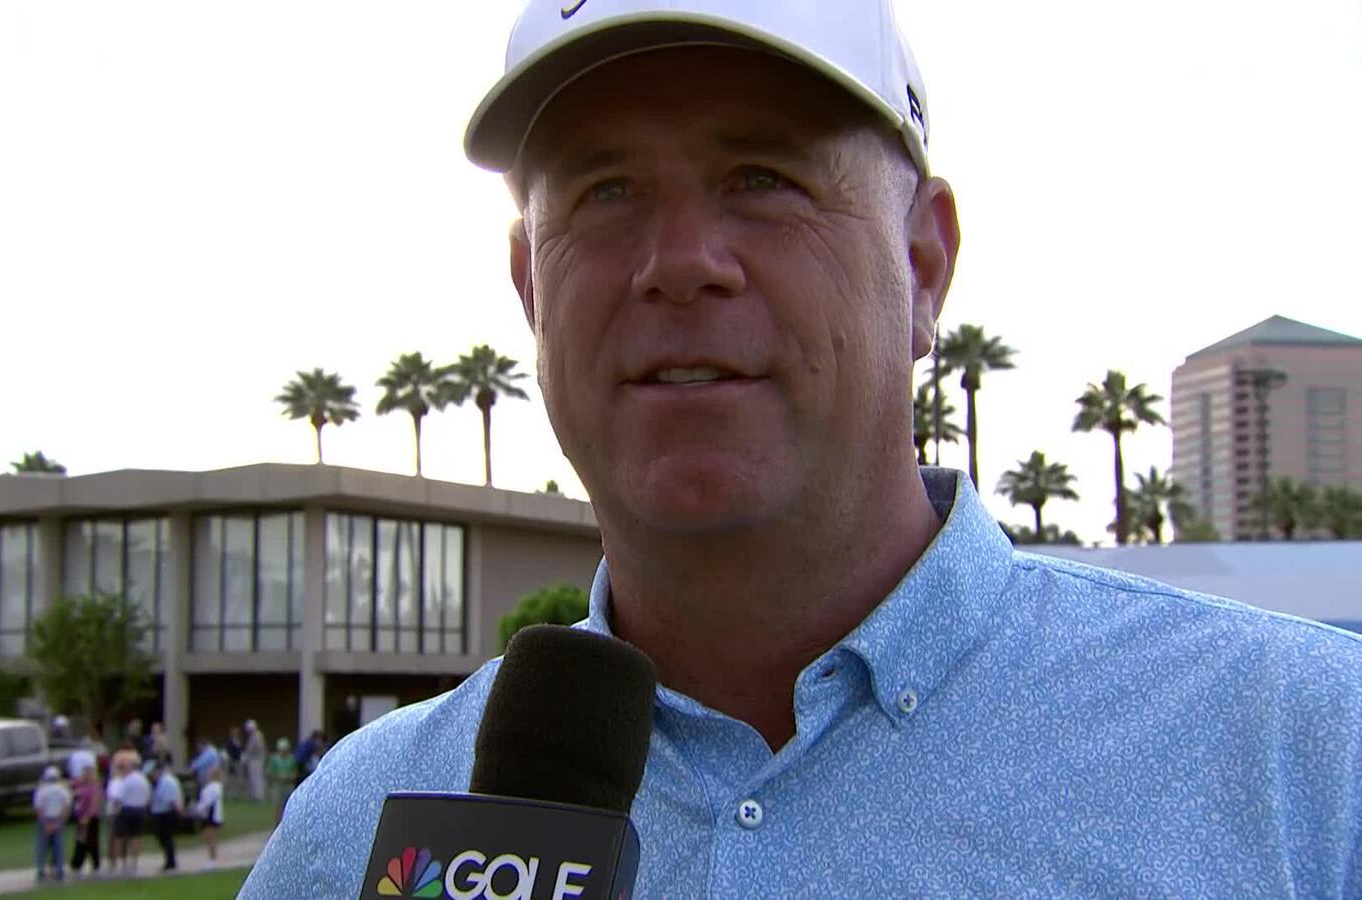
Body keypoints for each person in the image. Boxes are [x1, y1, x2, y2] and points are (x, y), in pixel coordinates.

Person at [239, 2, 1362, 896]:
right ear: (532, 287)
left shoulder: (1303, 755)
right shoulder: (362, 828)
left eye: (763, 179)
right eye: (607, 190)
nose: (680, 261)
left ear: (923, 267)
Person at [112, 750, 150, 876]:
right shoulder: (144, 780)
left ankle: (117, 864)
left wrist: (115, 809)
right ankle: (134, 863)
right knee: (136, 836)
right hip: (140, 809)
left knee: (119, 837)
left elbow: (119, 797)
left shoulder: (127, 780)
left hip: (127, 809)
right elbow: (147, 796)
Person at [31, 766, 72, 883]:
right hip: (58, 819)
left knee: (41, 847)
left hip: (45, 820)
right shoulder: (63, 790)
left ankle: (40, 871)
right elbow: (67, 807)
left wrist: (45, 824)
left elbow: (39, 808)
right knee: (58, 847)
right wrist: (59, 823)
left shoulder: (41, 790)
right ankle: (59, 871)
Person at [147, 758, 183, 873]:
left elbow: (172, 801)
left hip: (166, 813)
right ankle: (169, 860)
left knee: (166, 838)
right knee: (163, 838)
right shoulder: (160, 782)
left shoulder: (167, 782)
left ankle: (170, 861)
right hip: (160, 813)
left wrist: (178, 813)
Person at [68, 765, 102, 878]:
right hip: (81, 817)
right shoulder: (81, 785)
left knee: (91, 841)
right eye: (84, 773)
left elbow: (94, 803)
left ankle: (95, 864)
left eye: (87, 773)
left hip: (91, 818)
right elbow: (71, 785)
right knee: (81, 840)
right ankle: (76, 863)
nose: (85, 775)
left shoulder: (94, 787)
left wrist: (87, 817)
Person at [192, 765, 224, 863]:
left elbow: (208, 801)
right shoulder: (212, 787)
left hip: (211, 815)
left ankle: (212, 858)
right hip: (208, 814)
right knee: (208, 836)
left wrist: (198, 809)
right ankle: (212, 856)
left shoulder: (215, 787)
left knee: (210, 836)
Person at [263, 738, 298, 823]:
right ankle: (277, 823)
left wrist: (289, 776)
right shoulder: (274, 759)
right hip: (277, 785)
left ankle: (288, 822)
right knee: (278, 806)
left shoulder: (291, 759)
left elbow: (295, 773)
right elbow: (268, 773)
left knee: (288, 805)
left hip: (288, 785)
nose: (283, 751)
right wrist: (278, 776)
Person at [240, 719, 266, 803]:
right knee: (254, 778)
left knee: (256, 778)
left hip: (256, 760)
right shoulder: (254, 736)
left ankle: (258, 797)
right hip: (255, 759)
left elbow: (254, 748)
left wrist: (246, 755)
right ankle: (255, 796)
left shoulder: (257, 736)